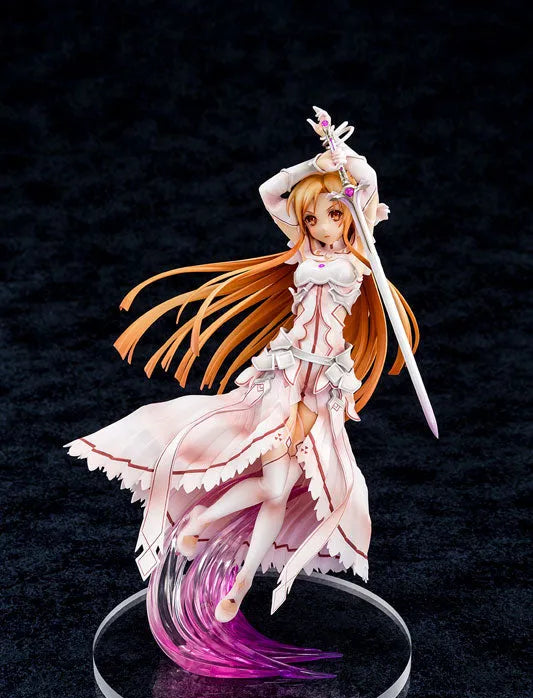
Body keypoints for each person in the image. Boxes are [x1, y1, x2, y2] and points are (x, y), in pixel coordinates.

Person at [64, 116, 418, 626]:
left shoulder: (361, 247)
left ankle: (242, 579)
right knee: (273, 484)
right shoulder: (302, 245)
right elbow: (270, 192)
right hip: (284, 378)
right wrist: (314, 163)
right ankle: (204, 521)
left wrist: (347, 159)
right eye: (316, 217)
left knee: (282, 490)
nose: (326, 225)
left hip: (322, 388)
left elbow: (369, 182)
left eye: (335, 214)